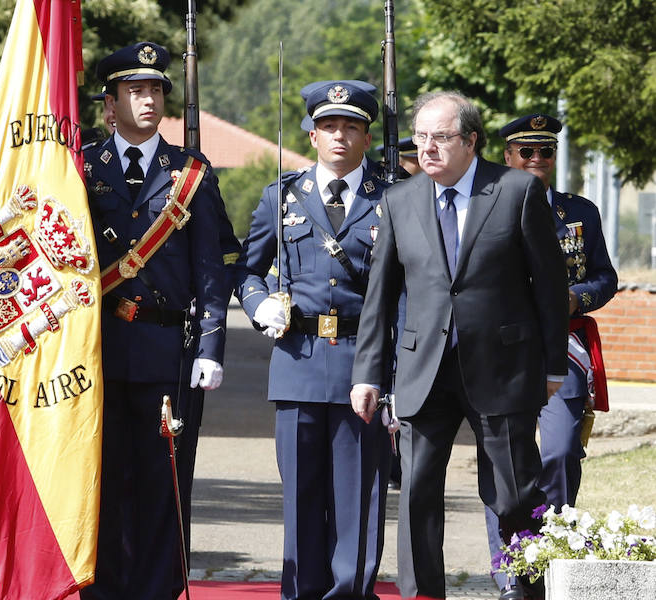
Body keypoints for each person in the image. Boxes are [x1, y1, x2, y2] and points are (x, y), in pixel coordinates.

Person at [349, 91, 569, 600]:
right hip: (422, 369)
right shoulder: (400, 200)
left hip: (502, 367)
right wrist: (367, 374)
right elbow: (380, 296)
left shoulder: (515, 191)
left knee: (514, 490)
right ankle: (423, 593)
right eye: (421, 137)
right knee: (419, 491)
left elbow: (549, 286)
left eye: (441, 138)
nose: (427, 149)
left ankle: (525, 586)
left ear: (471, 141)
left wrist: (553, 364)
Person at [80, 41, 239, 600]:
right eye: (134, 90)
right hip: (93, 349)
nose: (147, 100)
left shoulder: (189, 172)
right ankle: (102, 590)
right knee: (100, 480)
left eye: (155, 91)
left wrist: (210, 349)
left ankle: (157, 589)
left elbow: (213, 267)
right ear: (109, 104)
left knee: (164, 482)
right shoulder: (80, 166)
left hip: (166, 349)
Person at [236, 80, 393, 600]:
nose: (340, 137)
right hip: (298, 361)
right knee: (301, 500)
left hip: (361, 365)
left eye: (352, 127)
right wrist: (259, 305)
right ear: (312, 134)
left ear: (368, 138)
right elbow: (247, 270)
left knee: (358, 499)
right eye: (330, 126)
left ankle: (350, 593)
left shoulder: (393, 197)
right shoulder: (280, 197)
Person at [484, 113, 618, 599]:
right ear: (508, 156)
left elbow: (605, 277)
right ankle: (511, 570)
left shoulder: (579, 211)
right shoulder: (486, 205)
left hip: (562, 349)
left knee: (560, 452)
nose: (537, 160)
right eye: (526, 152)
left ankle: (549, 561)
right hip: (502, 349)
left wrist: (575, 298)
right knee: (504, 459)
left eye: (545, 152)